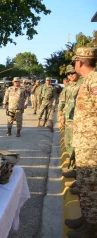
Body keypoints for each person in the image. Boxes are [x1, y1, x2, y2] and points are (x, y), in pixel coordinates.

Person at [64, 47, 97, 238]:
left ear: (80, 62)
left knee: (91, 187)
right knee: (84, 184)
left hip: (92, 145)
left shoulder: (94, 80)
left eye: (75, 61)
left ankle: (92, 227)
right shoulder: (87, 81)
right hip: (85, 144)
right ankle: (86, 218)